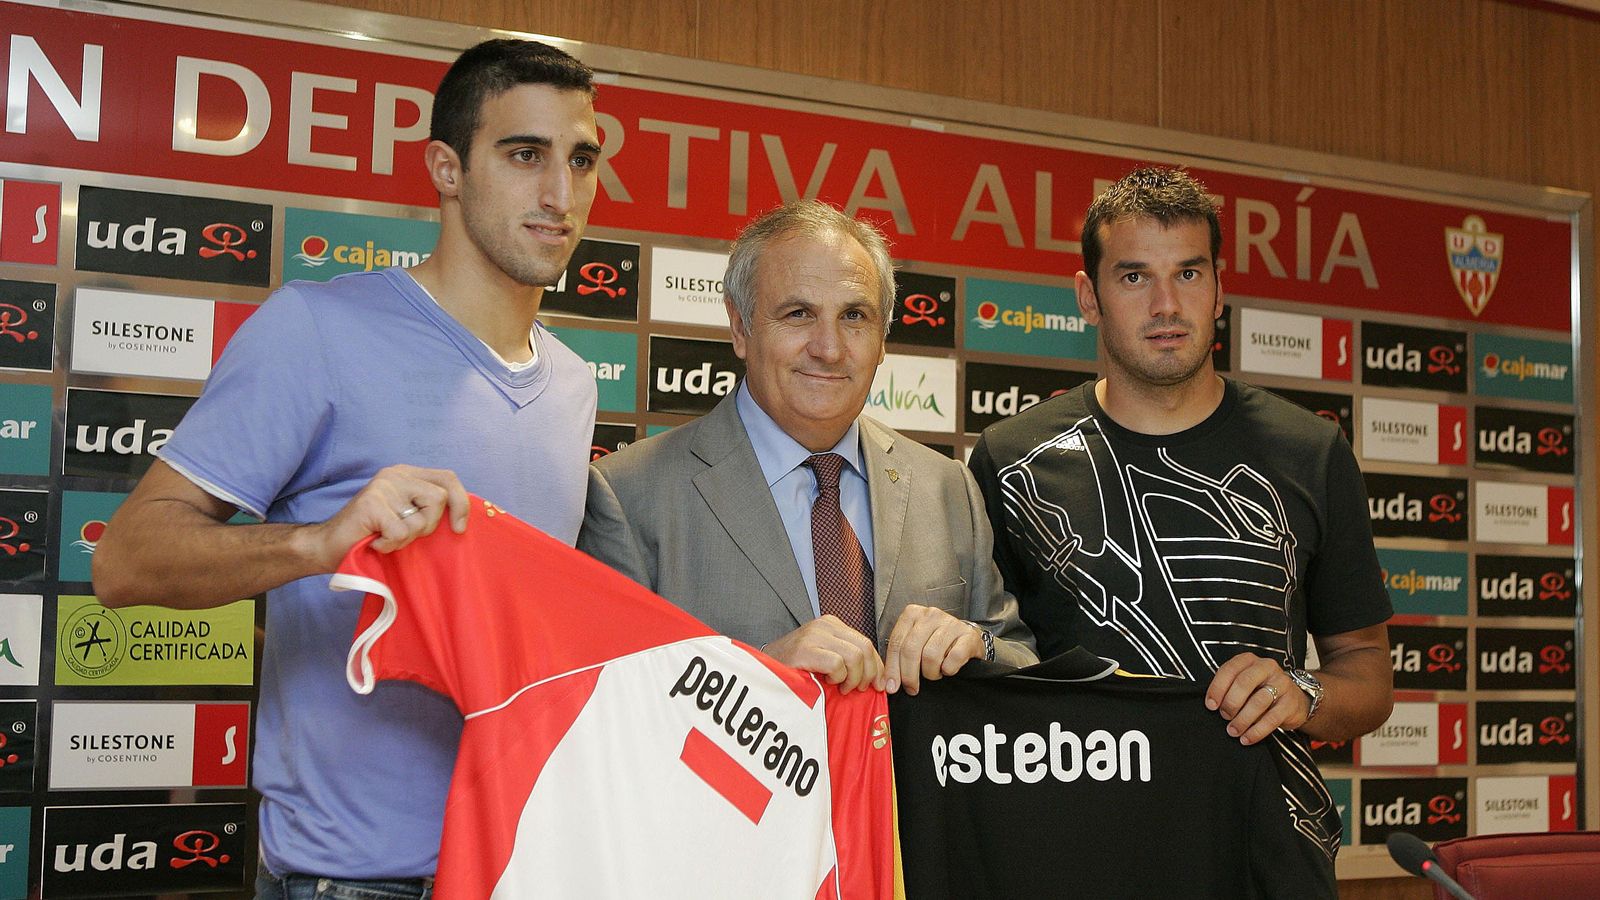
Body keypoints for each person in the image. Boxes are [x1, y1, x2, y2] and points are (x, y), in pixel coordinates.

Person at [91, 38, 603, 898]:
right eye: (525, 155)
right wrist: (322, 544)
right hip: (349, 882)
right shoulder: (314, 330)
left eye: (580, 159)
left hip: (519, 869)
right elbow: (123, 560)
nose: (561, 194)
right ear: (447, 167)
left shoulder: (575, 385)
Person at [968, 166, 1392, 864]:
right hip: (1075, 854)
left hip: (1265, 852)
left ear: (1219, 289)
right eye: (1134, 277)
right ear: (1089, 296)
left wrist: (1304, 693)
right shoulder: (1012, 459)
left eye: (1188, 274)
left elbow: (1368, 674)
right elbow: (987, 665)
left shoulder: (1311, 451)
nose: (1166, 303)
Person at [580, 200, 1036, 696]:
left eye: (855, 316)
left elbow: (1021, 659)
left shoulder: (947, 485)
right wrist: (754, 677)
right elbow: (600, 705)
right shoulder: (630, 495)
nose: (830, 348)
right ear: (740, 327)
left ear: (882, 339)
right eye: (799, 314)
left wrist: (977, 647)